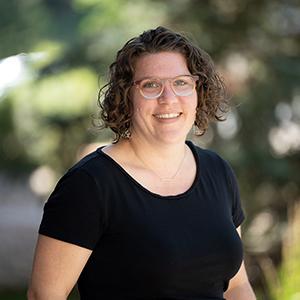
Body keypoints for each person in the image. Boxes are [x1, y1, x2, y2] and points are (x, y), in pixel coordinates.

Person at [28, 26, 256, 300]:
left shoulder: (217, 171)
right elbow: (45, 294)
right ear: (127, 97)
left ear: (198, 90)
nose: (168, 98)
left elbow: (237, 286)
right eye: (151, 85)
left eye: (181, 82)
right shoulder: (90, 184)